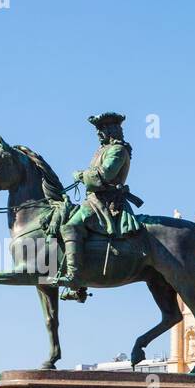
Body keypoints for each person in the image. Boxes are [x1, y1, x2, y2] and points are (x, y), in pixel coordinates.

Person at [56, 113, 143, 298]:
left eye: (101, 129)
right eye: (97, 129)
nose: (98, 133)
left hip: (105, 202)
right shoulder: (103, 150)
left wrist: (81, 175)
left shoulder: (118, 150)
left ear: (111, 130)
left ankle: (74, 279)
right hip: (95, 200)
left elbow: (105, 175)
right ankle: (79, 285)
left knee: (71, 227)